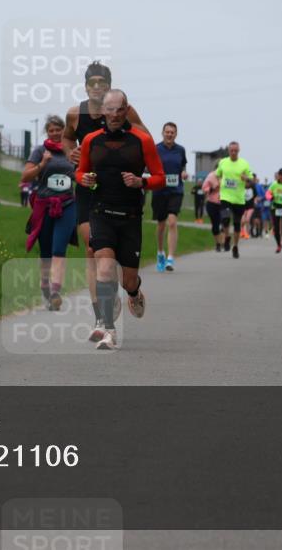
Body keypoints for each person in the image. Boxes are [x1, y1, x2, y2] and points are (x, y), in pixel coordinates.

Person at [75, 89, 164, 350]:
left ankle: (134, 293)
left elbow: (159, 177)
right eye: (110, 109)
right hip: (101, 212)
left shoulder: (142, 140)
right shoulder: (91, 140)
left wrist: (141, 182)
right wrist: (84, 178)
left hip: (130, 217)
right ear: (103, 111)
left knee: (127, 280)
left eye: (119, 109)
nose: (114, 115)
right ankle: (108, 329)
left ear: (126, 110)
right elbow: (80, 172)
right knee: (103, 267)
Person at [62, 62, 146, 335]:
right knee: (92, 249)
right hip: (89, 189)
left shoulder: (124, 111)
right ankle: (101, 313)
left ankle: (131, 288)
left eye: (102, 82)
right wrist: (71, 153)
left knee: (115, 256)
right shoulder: (75, 114)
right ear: (85, 86)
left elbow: (145, 140)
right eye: (92, 82)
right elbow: (67, 139)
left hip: (120, 191)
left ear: (109, 85)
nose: (97, 87)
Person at [22, 115, 78, 311]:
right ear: (47, 132)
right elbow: (25, 176)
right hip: (44, 205)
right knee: (46, 252)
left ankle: (55, 291)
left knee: (59, 249)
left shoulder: (72, 151)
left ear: (64, 131)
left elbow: (81, 174)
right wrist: (42, 164)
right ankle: (45, 285)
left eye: (58, 130)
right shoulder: (40, 151)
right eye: (51, 130)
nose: (55, 133)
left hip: (67, 204)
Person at [152, 122, 188, 272]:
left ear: (176, 134)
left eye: (172, 132)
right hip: (159, 191)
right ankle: (160, 252)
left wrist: (183, 172)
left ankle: (170, 258)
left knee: (172, 222)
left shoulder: (180, 150)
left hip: (176, 190)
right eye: (167, 132)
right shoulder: (156, 149)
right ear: (163, 133)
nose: (169, 134)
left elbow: (183, 165)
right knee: (161, 225)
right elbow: (149, 166)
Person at [216, 141, 254, 259]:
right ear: (228, 151)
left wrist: (246, 178)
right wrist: (219, 182)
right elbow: (218, 174)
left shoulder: (244, 164)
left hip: (238, 199)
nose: (233, 152)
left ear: (238, 151)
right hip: (225, 196)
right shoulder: (223, 162)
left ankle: (235, 246)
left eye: (235, 151)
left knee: (237, 224)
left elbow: (251, 179)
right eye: (231, 150)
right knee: (225, 219)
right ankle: (227, 237)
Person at [201, 168, 225, 252]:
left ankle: (223, 242)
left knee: (224, 221)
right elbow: (204, 188)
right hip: (212, 203)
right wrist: (212, 189)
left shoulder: (227, 176)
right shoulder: (211, 176)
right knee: (215, 224)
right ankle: (218, 243)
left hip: (224, 203)